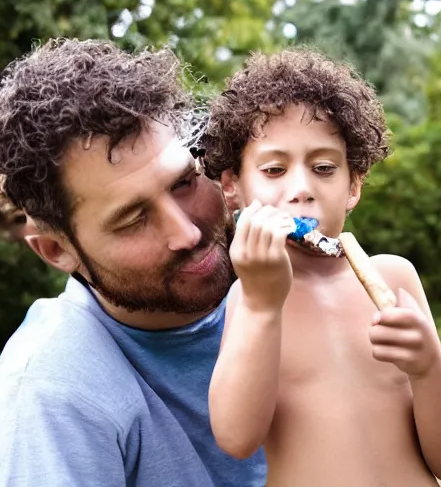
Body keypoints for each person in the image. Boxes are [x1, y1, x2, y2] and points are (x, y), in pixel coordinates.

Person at [204, 47, 441, 486]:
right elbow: (236, 438)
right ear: (233, 187)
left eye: (325, 167)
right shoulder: (252, 299)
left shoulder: (393, 278)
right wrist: (260, 305)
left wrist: (429, 370)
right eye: (274, 169)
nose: (301, 188)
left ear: (353, 185)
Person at [0, 38, 266, 487]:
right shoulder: (52, 393)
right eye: (132, 219)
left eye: (184, 182)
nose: (187, 233)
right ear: (56, 251)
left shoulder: (283, 281)